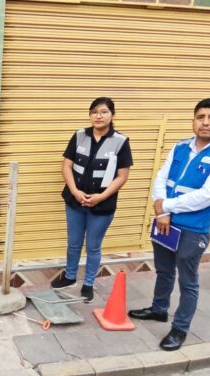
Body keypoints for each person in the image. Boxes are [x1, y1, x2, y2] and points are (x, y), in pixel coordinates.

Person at [129, 98, 210, 351]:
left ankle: (179, 329)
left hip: (193, 229)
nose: (205, 122)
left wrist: (166, 207)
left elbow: (207, 195)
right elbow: (161, 178)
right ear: (193, 120)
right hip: (165, 222)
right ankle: (159, 309)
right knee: (164, 270)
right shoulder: (180, 147)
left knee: (187, 281)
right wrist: (161, 212)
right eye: (200, 116)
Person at [51, 97, 133, 303]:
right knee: (74, 243)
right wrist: (75, 191)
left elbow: (122, 176)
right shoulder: (79, 136)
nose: (98, 116)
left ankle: (88, 283)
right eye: (94, 111)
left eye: (104, 112)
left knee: (94, 246)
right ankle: (70, 277)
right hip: (75, 201)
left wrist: (101, 197)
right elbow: (66, 166)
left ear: (112, 115)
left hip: (102, 204)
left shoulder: (121, 142)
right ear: (90, 115)